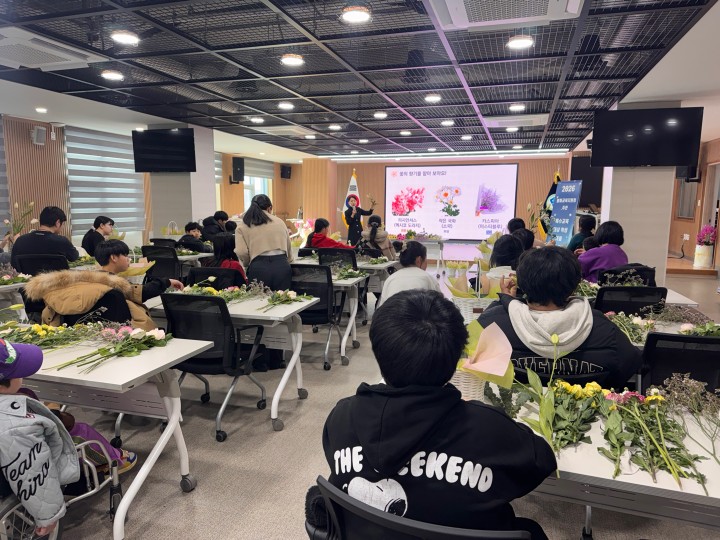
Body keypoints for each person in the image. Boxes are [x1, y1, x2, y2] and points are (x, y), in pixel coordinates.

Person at [322, 289, 555, 538]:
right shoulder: (489, 428)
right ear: (455, 360)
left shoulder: (341, 417)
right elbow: (542, 463)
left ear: (378, 352)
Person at [0, 341, 136, 537]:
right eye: (19, 373)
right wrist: (48, 516)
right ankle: (114, 458)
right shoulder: (16, 427)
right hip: (33, 468)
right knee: (82, 432)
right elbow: (32, 473)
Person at [478, 247, 641, 388]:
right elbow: (627, 368)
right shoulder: (604, 329)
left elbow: (473, 364)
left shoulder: (491, 325)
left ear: (521, 283)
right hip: (586, 413)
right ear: (575, 285)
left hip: (508, 412)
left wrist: (505, 301)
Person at [24, 240, 183, 330]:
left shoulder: (80, 283)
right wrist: (166, 281)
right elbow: (139, 292)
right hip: (119, 338)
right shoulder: (112, 288)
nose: (128, 259)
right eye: (125, 255)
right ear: (114, 258)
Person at [236, 194, 293, 290]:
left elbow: (241, 252)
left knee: (258, 298)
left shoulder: (244, 224)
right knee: (282, 297)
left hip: (258, 266)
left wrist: (247, 263)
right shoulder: (279, 222)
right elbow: (288, 246)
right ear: (270, 208)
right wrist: (290, 261)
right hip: (281, 265)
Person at [11, 206, 79, 269]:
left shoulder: (20, 241)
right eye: (63, 224)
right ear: (58, 223)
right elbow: (74, 257)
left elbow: (13, 264)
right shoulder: (62, 241)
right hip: (56, 278)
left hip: (29, 278)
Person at [377, 241, 439, 308]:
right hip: (416, 314)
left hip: (390, 314)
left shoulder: (390, 278)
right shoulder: (428, 278)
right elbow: (440, 304)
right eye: (426, 258)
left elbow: (381, 307)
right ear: (419, 260)